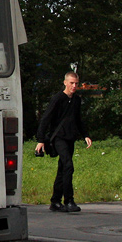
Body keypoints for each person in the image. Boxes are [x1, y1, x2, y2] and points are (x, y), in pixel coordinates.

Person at [35, 71, 93, 213]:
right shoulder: (58, 98)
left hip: (70, 138)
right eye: (71, 83)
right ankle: (69, 201)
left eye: (76, 83)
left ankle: (55, 201)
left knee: (62, 169)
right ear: (65, 83)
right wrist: (40, 140)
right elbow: (45, 118)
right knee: (68, 166)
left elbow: (78, 119)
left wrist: (85, 135)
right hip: (58, 138)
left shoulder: (76, 100)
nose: (74, 86)